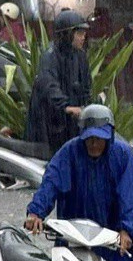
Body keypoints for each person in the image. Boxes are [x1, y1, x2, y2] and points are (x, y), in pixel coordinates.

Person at [24, 104, 133, 261]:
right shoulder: (68, 153)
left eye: (99, 138)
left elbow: (132, 198)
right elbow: (50, 183)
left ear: (110, 136)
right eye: (90, 139)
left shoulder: (123, 155)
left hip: (114, 237)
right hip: (75, 234)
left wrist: (128, 229)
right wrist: (36, 212)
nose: (94, 144)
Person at [25, 8, 92, 155]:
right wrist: (66, 106)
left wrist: (88, 106)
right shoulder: (50, 57)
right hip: (50, 123)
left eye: (84, 33)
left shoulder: (80, 56)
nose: (83, 37)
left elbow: (86, 85)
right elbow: (48, 85)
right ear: (67, 34)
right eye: (79, 33)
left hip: (71, 122)